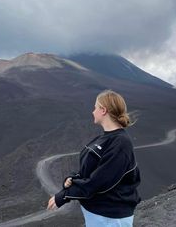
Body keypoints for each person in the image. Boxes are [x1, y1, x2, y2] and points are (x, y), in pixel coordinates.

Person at [47, 89, 141, 226]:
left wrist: (64, 195)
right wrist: (73, 179)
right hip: (98, 213)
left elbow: (100, 181)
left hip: (110, 216)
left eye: (95, 107)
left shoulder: (120, 143)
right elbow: (90, 170)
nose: (93, 111)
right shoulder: (104, 138)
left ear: (103, 110)